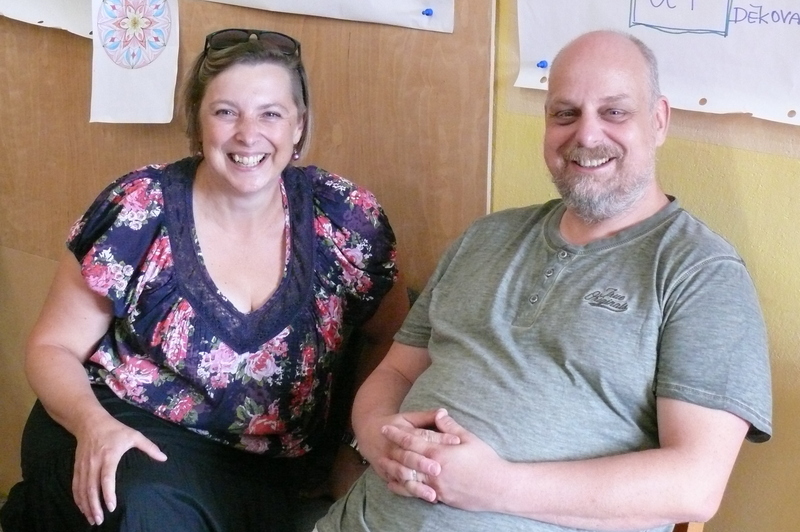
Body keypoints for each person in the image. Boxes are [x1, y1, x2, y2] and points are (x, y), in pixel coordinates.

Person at [315, 30, 772, 532]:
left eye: (614, 112)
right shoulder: (486, 237)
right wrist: (376, 436)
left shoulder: (702, 274)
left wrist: (495, 486)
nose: (587, 136)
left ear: (658, 120)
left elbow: (694, 487)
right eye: (565, 113)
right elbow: (397, 373)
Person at [0, 28, 408, 532]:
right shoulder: (141, 206)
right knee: (147, 506)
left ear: (299, 126)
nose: (248, 134)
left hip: (267, 467)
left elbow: (394, 339)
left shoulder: (344, 217)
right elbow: (52, 347)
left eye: (271, 114)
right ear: (197, 122)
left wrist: (352, 447)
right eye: (226, 112)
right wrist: (94, 426)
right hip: (123, 424)